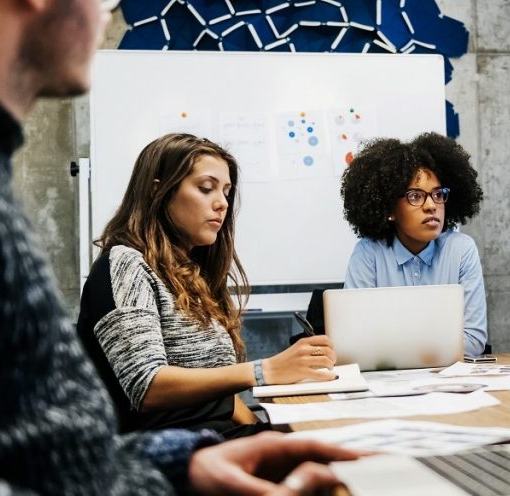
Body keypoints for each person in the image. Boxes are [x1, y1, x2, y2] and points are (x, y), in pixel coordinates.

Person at [0, 0, 357, 493]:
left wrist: (193, 461)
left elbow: (47, 449)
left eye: (226, 191)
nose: (107, 13)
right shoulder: (121, 262)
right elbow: (139, 390)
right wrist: (259, 376)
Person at [78, 133, 339, 438]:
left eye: (226, 192)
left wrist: (263, 428)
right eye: (206, 188)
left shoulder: (190, 274)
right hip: (166, 454)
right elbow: (147, 386)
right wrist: (263, 371)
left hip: (211, 438)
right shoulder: (126, 264)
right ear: (157, 191)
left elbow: (219, 400)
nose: (222, 203)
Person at [340, 132, 488, 357]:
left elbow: (474, 341)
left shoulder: (461, 250)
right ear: (389, 209)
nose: (431, 206)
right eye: (416, 196)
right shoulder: (368, 254)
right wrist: (435, 344)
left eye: (437, 194)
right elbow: (354, 341)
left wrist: (392, 345)